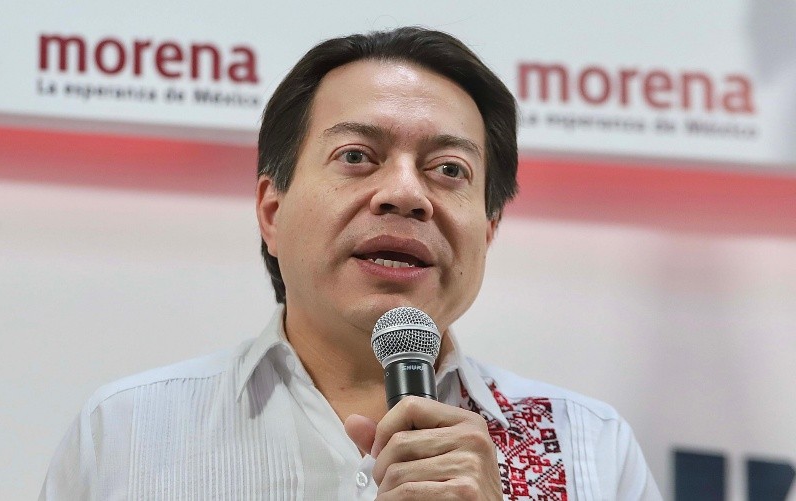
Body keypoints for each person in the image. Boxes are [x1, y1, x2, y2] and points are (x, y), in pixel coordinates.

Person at [41, 27, 661, 500]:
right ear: (271, 212)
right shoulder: (126, 433)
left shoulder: (590, 447)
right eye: (357, 156)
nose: (406, 194)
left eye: (449, 169)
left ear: (489, 231)